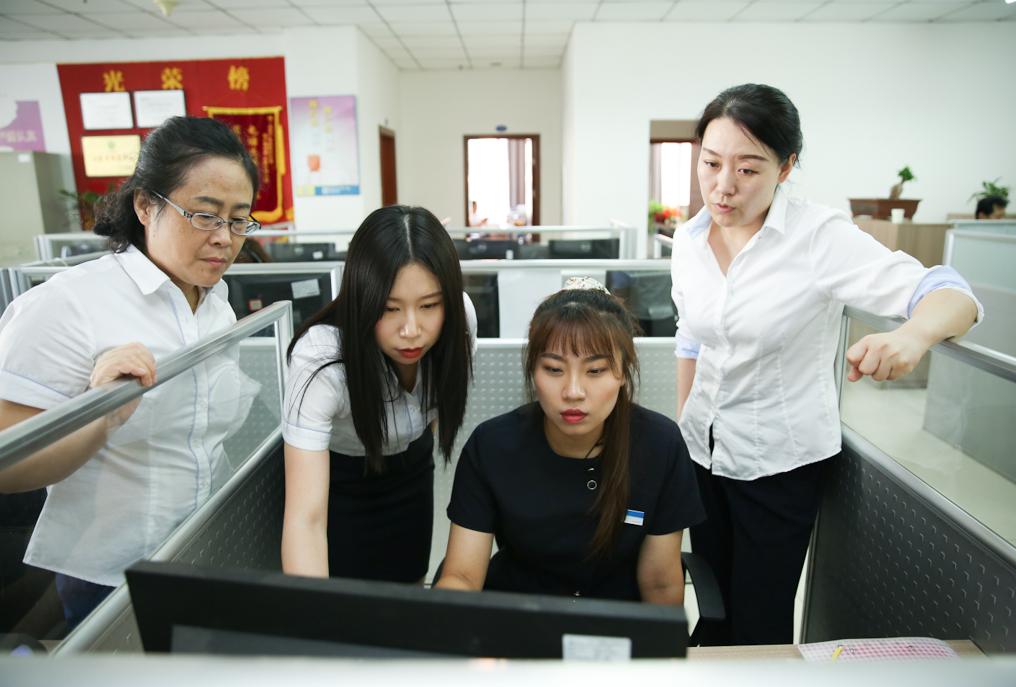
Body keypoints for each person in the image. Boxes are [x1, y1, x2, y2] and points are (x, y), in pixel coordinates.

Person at [671, 84, 982, 645]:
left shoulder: (818, 238)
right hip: (702, 454)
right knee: (713, 608)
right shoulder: (688, 240)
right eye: (711, 163)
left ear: (786, 167)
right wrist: (682, 430)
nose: (723, 185)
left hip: (777, 463)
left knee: (759, 624)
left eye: (748, 169)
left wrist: (911, 337)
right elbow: (692, 338)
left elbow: (954, 295)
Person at [0, 116, 261, 629]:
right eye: (204, 215)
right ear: (145, 205)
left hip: (201, 549)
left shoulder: (215, 303)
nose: (224, 239)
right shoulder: (68, 304)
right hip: (112, 573)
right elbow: (7, 464)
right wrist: (101, 414)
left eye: (238, 220)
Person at [436, 279, 704, 604]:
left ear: (623, 372)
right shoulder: (492, 447)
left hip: (618, 625)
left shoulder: (660, 446)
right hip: (519, 619)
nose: (573, 392)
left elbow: (660, 585)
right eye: (554, 369)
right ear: (532, 371)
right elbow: (462, 577)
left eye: (595, 370)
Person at [281, 205, 477, 584]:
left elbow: (431, 413)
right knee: (345, 607)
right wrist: (310, 612)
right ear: (362, 299)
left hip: (412, 471)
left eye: (429, 305)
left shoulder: (460, 320)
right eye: (389, 308)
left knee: (408, 590)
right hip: (340, 485)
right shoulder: (323, 358)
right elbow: (306, 519)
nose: (411, 329)